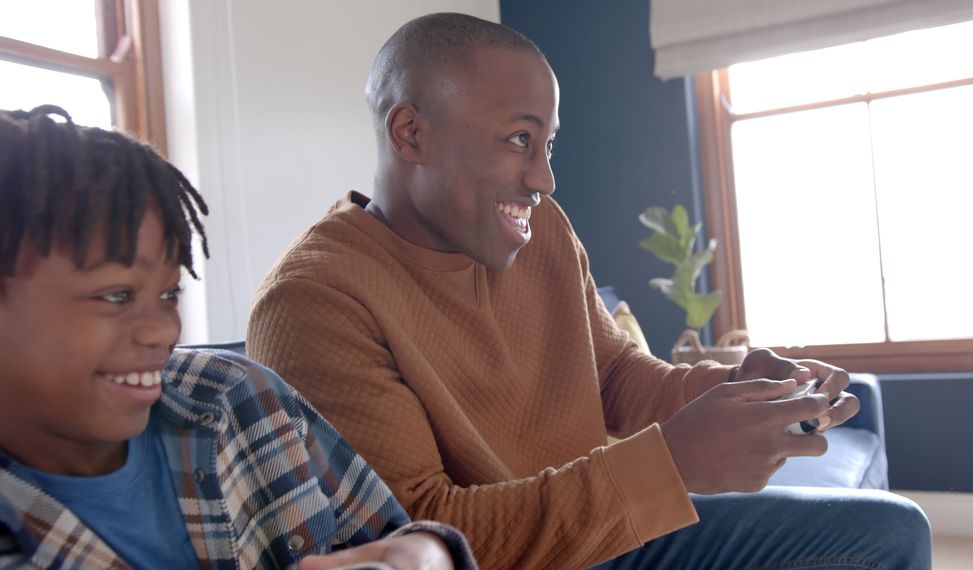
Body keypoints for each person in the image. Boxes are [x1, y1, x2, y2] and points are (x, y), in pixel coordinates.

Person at [247, 13, 932, 570]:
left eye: (548, 144)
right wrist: (670, 462)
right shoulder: (313, 303)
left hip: (604, 536)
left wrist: (734, 392)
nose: (543, 179)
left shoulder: (539, 233)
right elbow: (421, 535)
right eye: (520, 139)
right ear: (412, 134)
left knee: (890, 534)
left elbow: (614, 375)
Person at [0, 105, 476, 570]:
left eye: (168, 294)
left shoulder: (242, 398)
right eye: (116, 295)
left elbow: (396, 532)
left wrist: (427, 552)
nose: (165, 331)